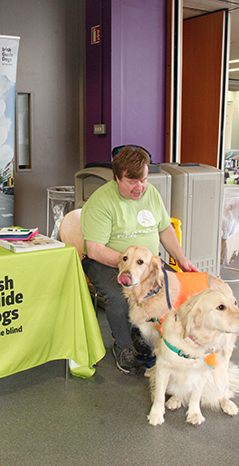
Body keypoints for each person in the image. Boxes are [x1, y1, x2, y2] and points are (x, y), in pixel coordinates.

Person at [80, 145, 198, 374]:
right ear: (117, 177)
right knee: (119, 295)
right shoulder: (101, 201)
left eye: (143, 180)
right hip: (106, 261)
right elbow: (94, 250)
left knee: (170, 288)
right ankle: (123, 346)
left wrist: (181, 259)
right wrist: (132, 269)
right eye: (132, 182)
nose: (139, 187)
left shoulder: (150, 193)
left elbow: (165, 229)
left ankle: (150, 335)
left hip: (146, 263)